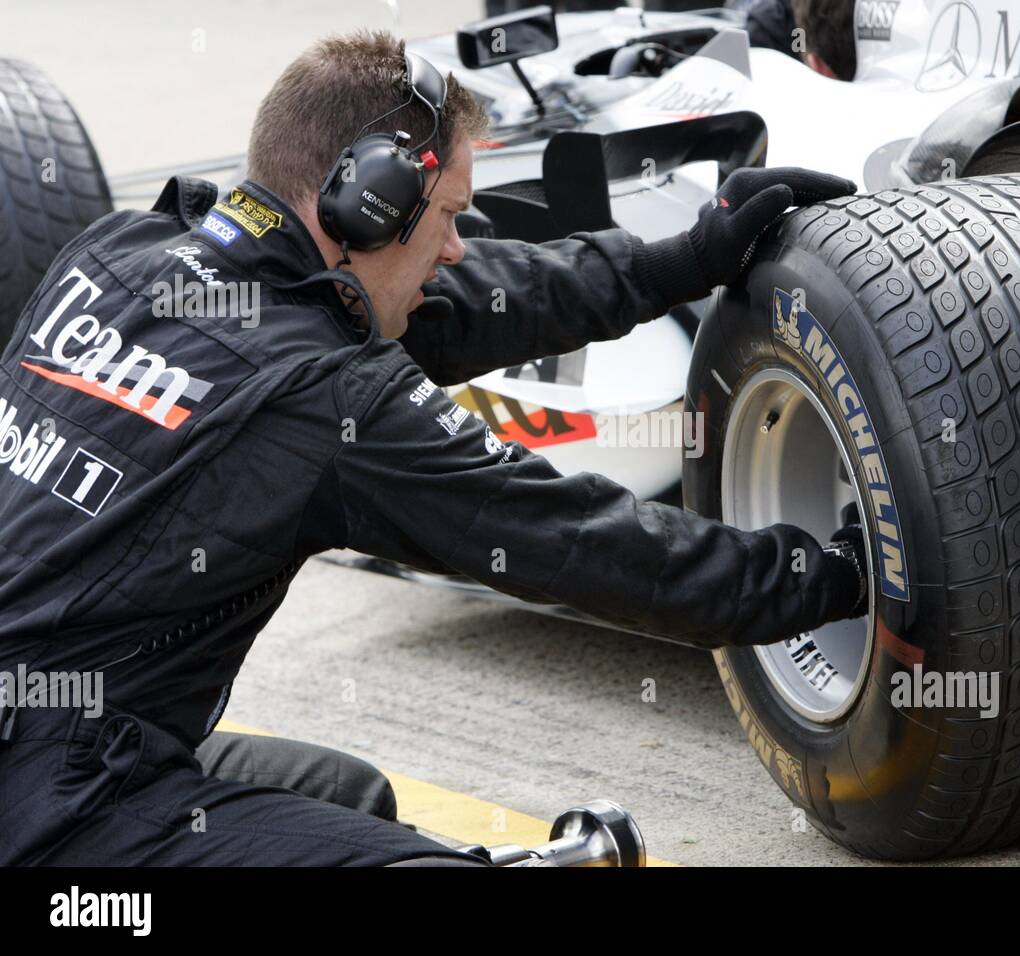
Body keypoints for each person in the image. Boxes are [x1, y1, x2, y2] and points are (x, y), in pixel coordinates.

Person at [0, 30, 865, 866]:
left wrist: (674, 263)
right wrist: (830, 575)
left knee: (349, 796)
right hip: (55, 804)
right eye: (449, 214)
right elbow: (581, 543)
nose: (456, 245)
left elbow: (464, 301)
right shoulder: (320, 398)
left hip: (61, 733)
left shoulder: (117, 253)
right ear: (367, 200)